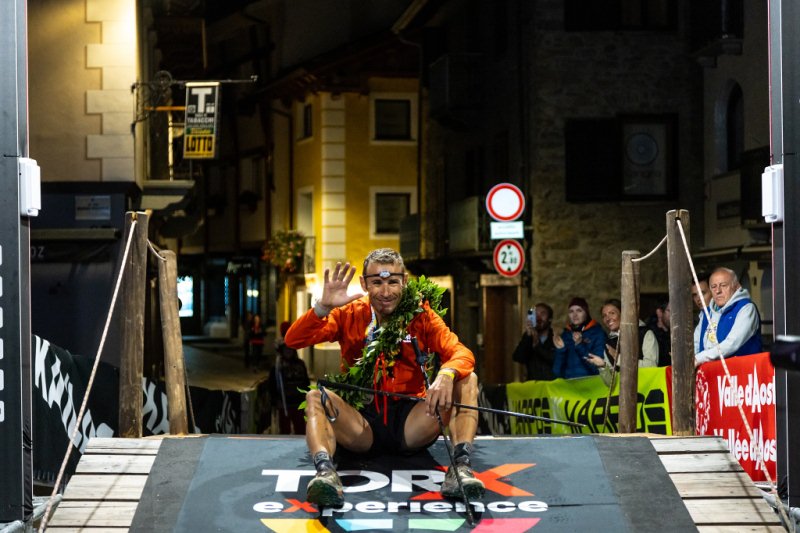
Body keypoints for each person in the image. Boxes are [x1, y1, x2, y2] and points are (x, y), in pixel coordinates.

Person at [284, 248, 484, 508]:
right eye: (377, 282)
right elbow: (293, 340)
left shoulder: (421, 315)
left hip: (412, 422)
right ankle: (325, 474)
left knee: (467, 378)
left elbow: (461, 352)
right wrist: (322, 308)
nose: (386, 291)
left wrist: (447, 372)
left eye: (392, 282)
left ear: (405, 282)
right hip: (361, 422)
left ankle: (461, 469)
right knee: (314, 397)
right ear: (364, 284)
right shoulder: (349, 313)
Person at [694, 267, 762, 367]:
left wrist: (699, 358)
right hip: (710, 376)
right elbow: (695, 344)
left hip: (742, 375)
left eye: (723, 285)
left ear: (736, 286)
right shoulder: (706, 314)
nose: (718, 291)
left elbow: (732, 343)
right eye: (713, 287)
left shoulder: (746, 309)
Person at [586, 299, 659, 373]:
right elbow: (612, 383)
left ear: (623, 314)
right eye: (604, 316)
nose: (607, 318)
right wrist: (603, 366)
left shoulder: (645, 333)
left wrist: (618, 358)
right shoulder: (608, 344)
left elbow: (652, 366)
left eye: (612, 313)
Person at [268, 321, 311, 435]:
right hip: (284, 404)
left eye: (290, 349)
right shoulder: (277, 366)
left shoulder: (300, 364)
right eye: (286, 349)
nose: (288, 352)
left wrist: (307, 398)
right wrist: (274, 401)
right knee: (284, 431)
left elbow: (306, 383)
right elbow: (273, 385)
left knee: (301, 429)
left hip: (298, 403)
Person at [552, 297, 606, 379]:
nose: (575, 315)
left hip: (591, 386)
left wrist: (580, 345)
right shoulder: (565, 335)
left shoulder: (598, 333)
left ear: (586, 313)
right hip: (570, 387)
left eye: (579, 310)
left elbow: (598, 370)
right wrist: (561, 351)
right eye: (571, 311)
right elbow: (557, 373)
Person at [511, 303, 556, 381]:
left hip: (551, 387)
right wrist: (528, 336)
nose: (538, 317)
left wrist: (537, 346)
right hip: (533, 386)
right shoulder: (528, 337)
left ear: (550, 319)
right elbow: (518, 357)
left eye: (543, 314)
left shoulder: (556, 337)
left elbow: (555, 359)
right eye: (536, 314)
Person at [646, 300, 672, 367]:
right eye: (671, 311)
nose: (675, 315)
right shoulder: (648, 333)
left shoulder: (678, 333)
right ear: (659, 312)